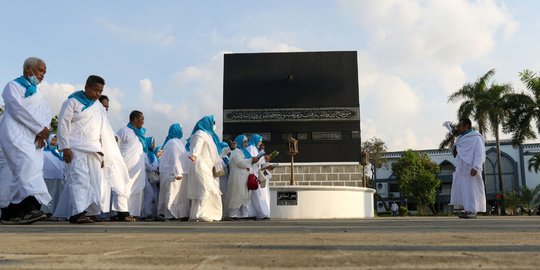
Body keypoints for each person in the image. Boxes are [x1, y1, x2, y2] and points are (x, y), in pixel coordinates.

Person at [56, 75, 132, 223]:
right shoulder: (71, 102)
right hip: (76, 149)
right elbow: (63, 125)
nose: (97, 94)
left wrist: (104, 154)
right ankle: (77, 213)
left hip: (95, 151)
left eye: (100, 91)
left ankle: (89, 213)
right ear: (86, 87)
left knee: (95, 184)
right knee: (80, 180)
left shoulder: (98, 107)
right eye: (95, 90)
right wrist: (65, 147)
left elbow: (104, 132)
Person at [0, 57, 52, 225]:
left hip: (34, 138)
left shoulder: (39, 94)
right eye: (40, 70)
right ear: (28, 69)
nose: (43, 75)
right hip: (14, 133)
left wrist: (42, 132)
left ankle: (12, 212)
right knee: (26, 166)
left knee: (33, 169)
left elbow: (46, 114)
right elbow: (17, 110)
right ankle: (27, 209)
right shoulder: (12, 86)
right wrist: (39, 128)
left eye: (44, 72)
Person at [186, 115, 224, 222]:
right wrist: (194, 155)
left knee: (204, 190)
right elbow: (197, 146)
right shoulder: (200, 134)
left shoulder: (209, 135)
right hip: (200, 165)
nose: (214, 126)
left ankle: (196, 215)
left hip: (207, 167)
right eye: (213, 123)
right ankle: (200, 214)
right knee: (206, 189)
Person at [449, 118, 486, 219]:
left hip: (471, 168)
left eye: (460, 126)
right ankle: (467, 210)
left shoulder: (476, 138)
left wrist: (476, 167)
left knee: (472, 189)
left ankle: (472, 211)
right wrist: (452, 143)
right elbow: (456, 154)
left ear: (466, 126)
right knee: (463, 190)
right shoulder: (460, 139)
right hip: (461, 168)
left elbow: (480, 153)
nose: (458, 128)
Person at [116, 110, 147, 219]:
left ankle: (132, 213)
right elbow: (115, 144)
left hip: (137, 169)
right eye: (142, 119)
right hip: (126, 166)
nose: (143, 122)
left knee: (136, 190)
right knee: (124, 188)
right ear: (135, 119)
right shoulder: (124, 130)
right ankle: (122, 213)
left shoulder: (140, 134)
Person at [158, 123, 191, 220]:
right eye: (180, 129)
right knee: (171, 193)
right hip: (172, 173)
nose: (182, 131)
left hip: (176, 172)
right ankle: (170, 214)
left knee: (178, 195)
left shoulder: (178, 142)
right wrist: (178, 172)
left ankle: (179, 214)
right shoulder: (173, 142)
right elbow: (175, 158)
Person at [224, 135, 260, 219]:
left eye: (247, 141)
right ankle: (233, 214)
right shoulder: (236, 151)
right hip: (238, 178)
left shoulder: (244, 152)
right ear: (239, 142)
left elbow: (249, 164)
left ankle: (244, 215)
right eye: (244, 141)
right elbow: (239, 162)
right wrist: (251, 160)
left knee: (245, 197)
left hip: (245, 178)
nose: (246, 143)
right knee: (237, 196)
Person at [246, 134, 271, 220]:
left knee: (260, 195)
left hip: (257, 172)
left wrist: (265, 159)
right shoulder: (250, 148)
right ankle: (260, 213)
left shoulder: (255, 149)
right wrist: (262, 158)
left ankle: (262, 213)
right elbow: (252, 161)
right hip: (253, 174)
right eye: (259, 141)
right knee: (257, 195)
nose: (260, 143)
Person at [41, 134, 65, 216]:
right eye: (52, 140)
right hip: (47, 177)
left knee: (56, 194)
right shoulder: (44, 152)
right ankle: (45, 211)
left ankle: (54, 212)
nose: (54, 142)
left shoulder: (58, 152)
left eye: (55, 140)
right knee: (47, 194)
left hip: (57, 177)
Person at [141, 136, 160, 220]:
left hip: (153, 179)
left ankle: (152, 213)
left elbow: (156, 164)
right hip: (146, 176)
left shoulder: (153, 155)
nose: (153, 144)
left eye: (154, 143)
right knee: (149, 194)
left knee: (154, 195)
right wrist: (154, 168)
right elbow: (147, 165)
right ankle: (146, 214)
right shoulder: (145, 154)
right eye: (152, 143)